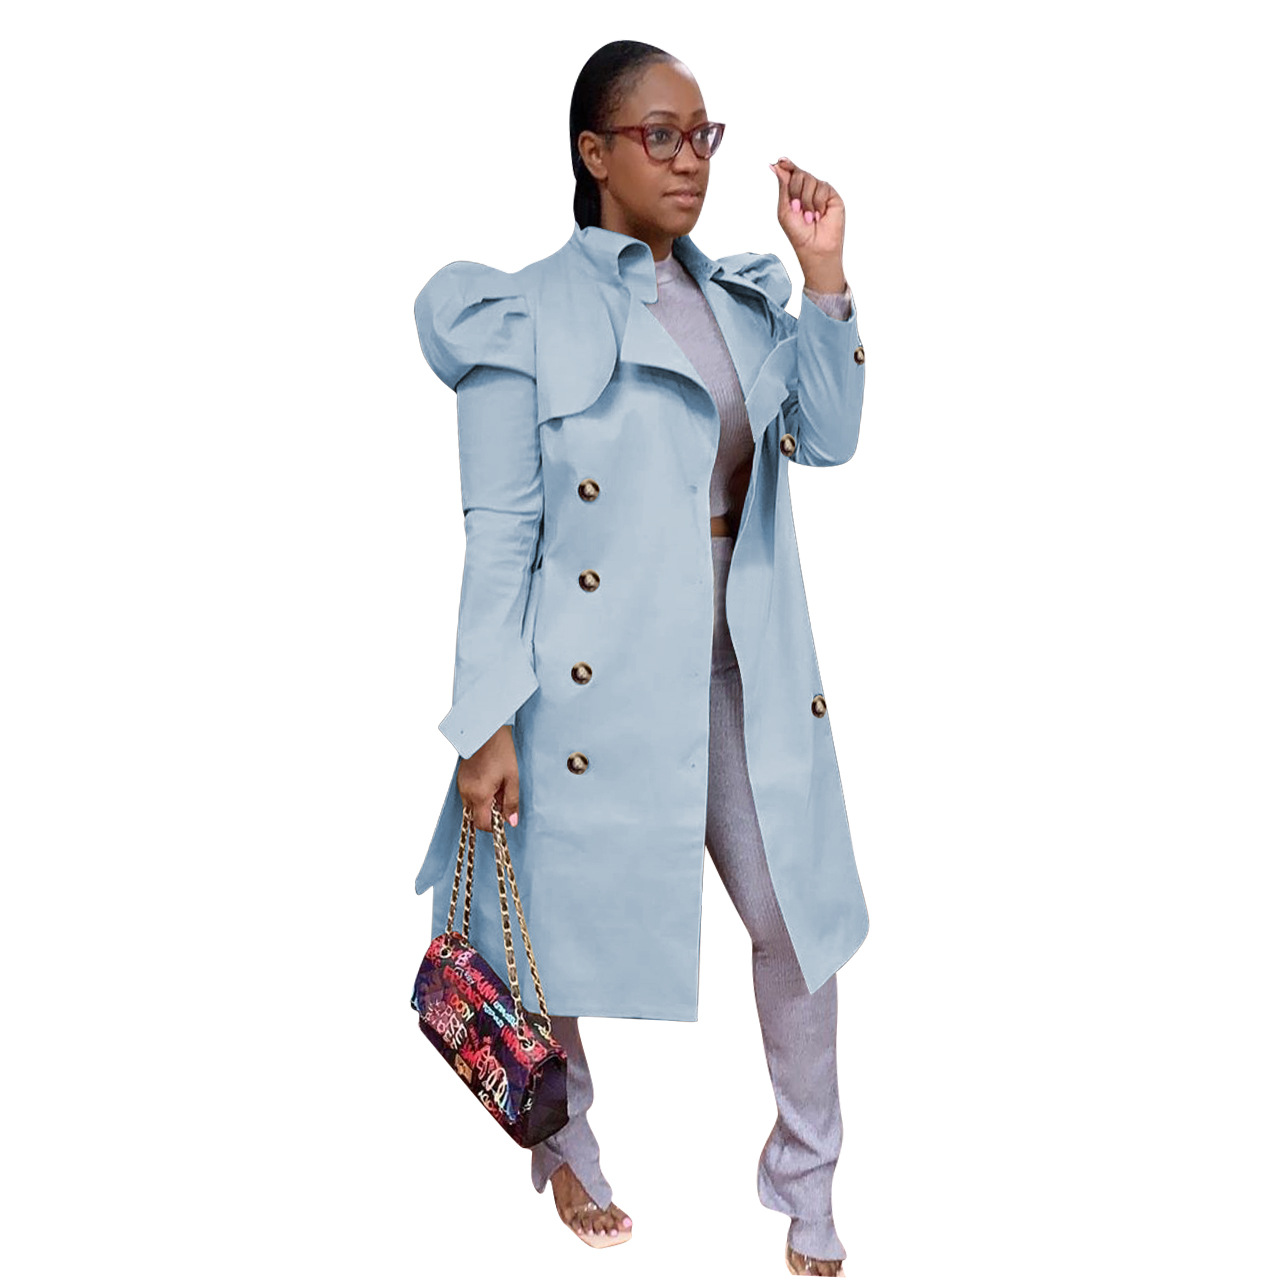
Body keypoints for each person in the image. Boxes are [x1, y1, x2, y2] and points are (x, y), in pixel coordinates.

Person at [412, 39, 868, 1279]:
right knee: (545, 926)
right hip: (586, 682)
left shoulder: (745, 302)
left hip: (740, 667)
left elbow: (827, 439)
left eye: (701, 135)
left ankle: (806, 1174)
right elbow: (499, 533)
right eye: (658, 135)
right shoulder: (519, 313)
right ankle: (568, 1148)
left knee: (794, 923)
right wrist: (484, 718)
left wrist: (825, 277)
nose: (687, 160)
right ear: (594, 152)